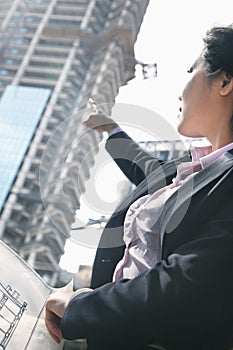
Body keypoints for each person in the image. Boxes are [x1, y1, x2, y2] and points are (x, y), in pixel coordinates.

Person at [45, 25, 233, 350]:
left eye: (193, 70)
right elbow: (147, 170)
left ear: (225, 81)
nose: (180, 91)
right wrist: (109, 128)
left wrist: (80, 308)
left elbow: (184, 286)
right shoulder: (195, 170)